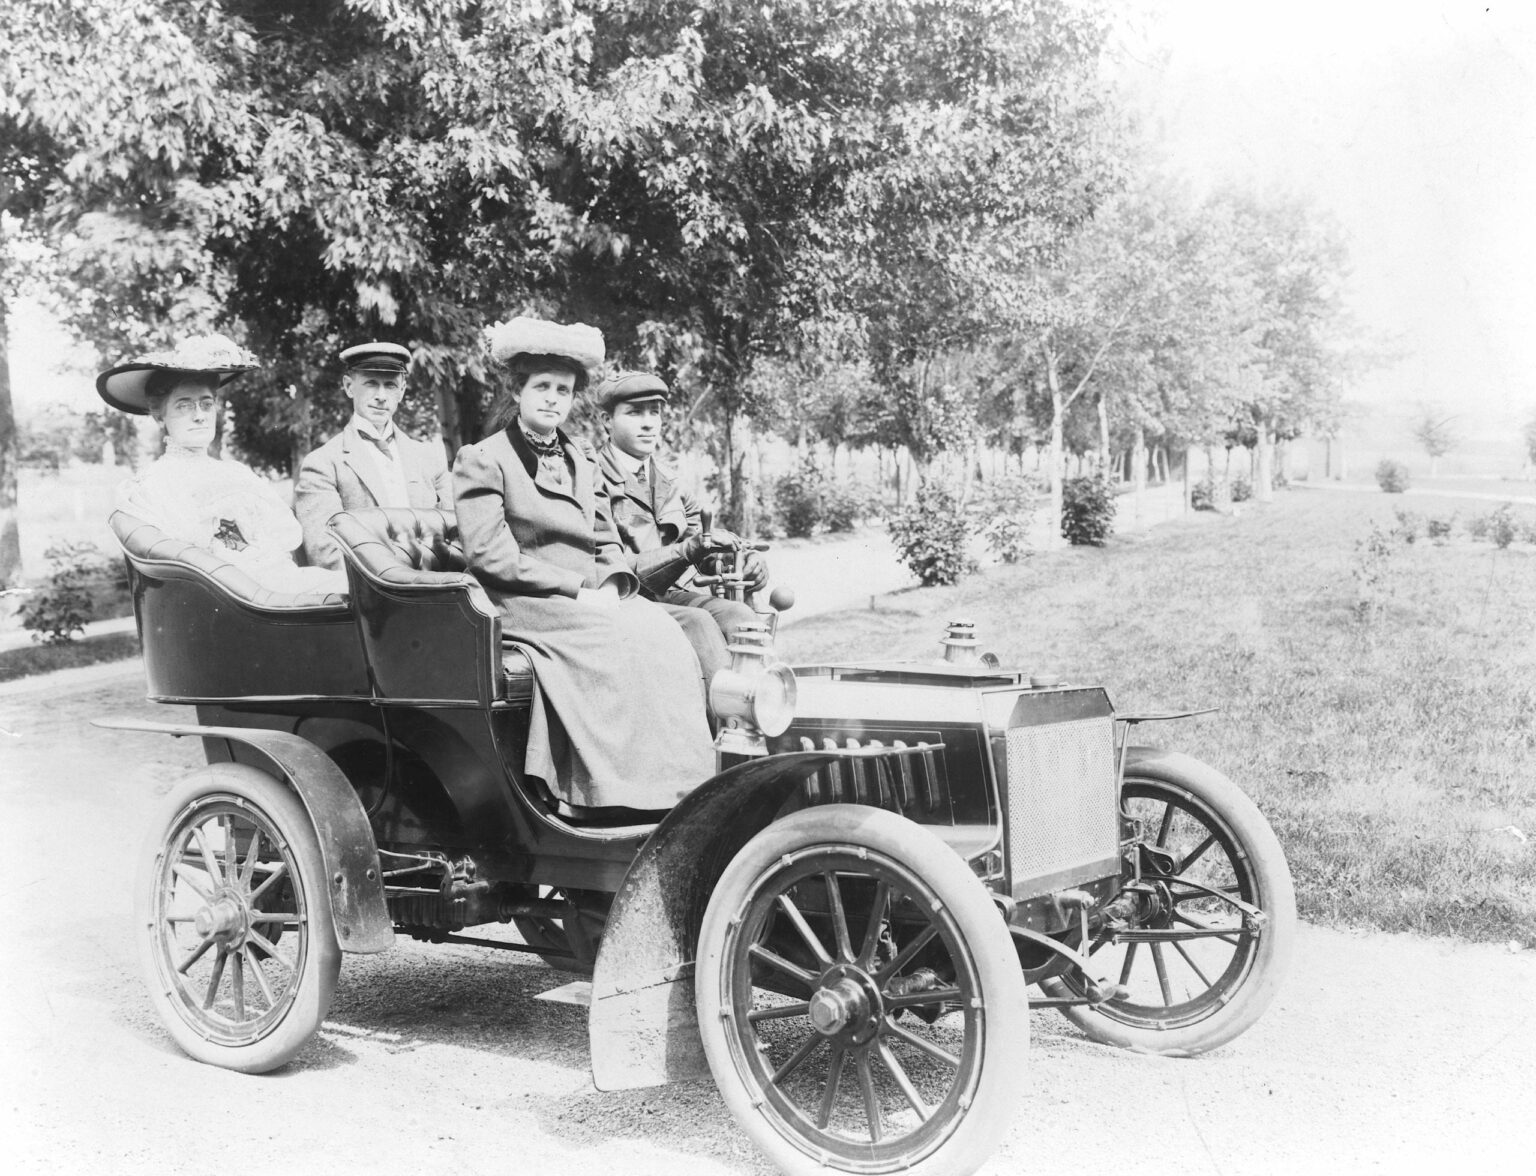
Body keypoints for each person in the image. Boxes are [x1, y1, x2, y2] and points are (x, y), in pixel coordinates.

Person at [453, 317, 715, 811]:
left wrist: (617, 584)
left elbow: (603, 539)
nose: (553, 398)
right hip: (522, 601)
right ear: (518, 390)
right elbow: (490, 555)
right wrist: (578, 590)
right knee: (617, 639)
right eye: (543, 387)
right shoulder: (484, 459)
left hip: (586, 596)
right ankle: (606, 792)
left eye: (564, 390)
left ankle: (682, 787)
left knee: (660, 631)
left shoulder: (581, 460)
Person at [98, 334, 346, 595]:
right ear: (160, 417)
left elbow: (283, 542)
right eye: (184, 405)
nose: (199, 416)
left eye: (206, 404)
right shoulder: (154, 485)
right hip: (232, 600)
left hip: (276, 586)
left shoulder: (237, 474)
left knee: (357, 587)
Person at [594, 371, 767, 676]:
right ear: (607, 420)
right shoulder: (591, 477)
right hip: (622, 600)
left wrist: (736, 561)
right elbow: (610, 567)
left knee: (742, 616)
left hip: (668, 597)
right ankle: (724, 720)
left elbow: (702, 544)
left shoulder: (670, 479)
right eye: (635, 413)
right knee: (698, 623)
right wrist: (688, 550)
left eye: (655, 412)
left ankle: (761, 708)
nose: (649, 423)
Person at [294, 341, 452, 570]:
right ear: (349, 386)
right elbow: (327, 554)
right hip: (372, 594)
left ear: (402, 390)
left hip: (438, 586)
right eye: (370, 383)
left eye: (390, 385)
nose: (381, 396)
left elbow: (457, 533)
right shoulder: (323, 464)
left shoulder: (429, 459)